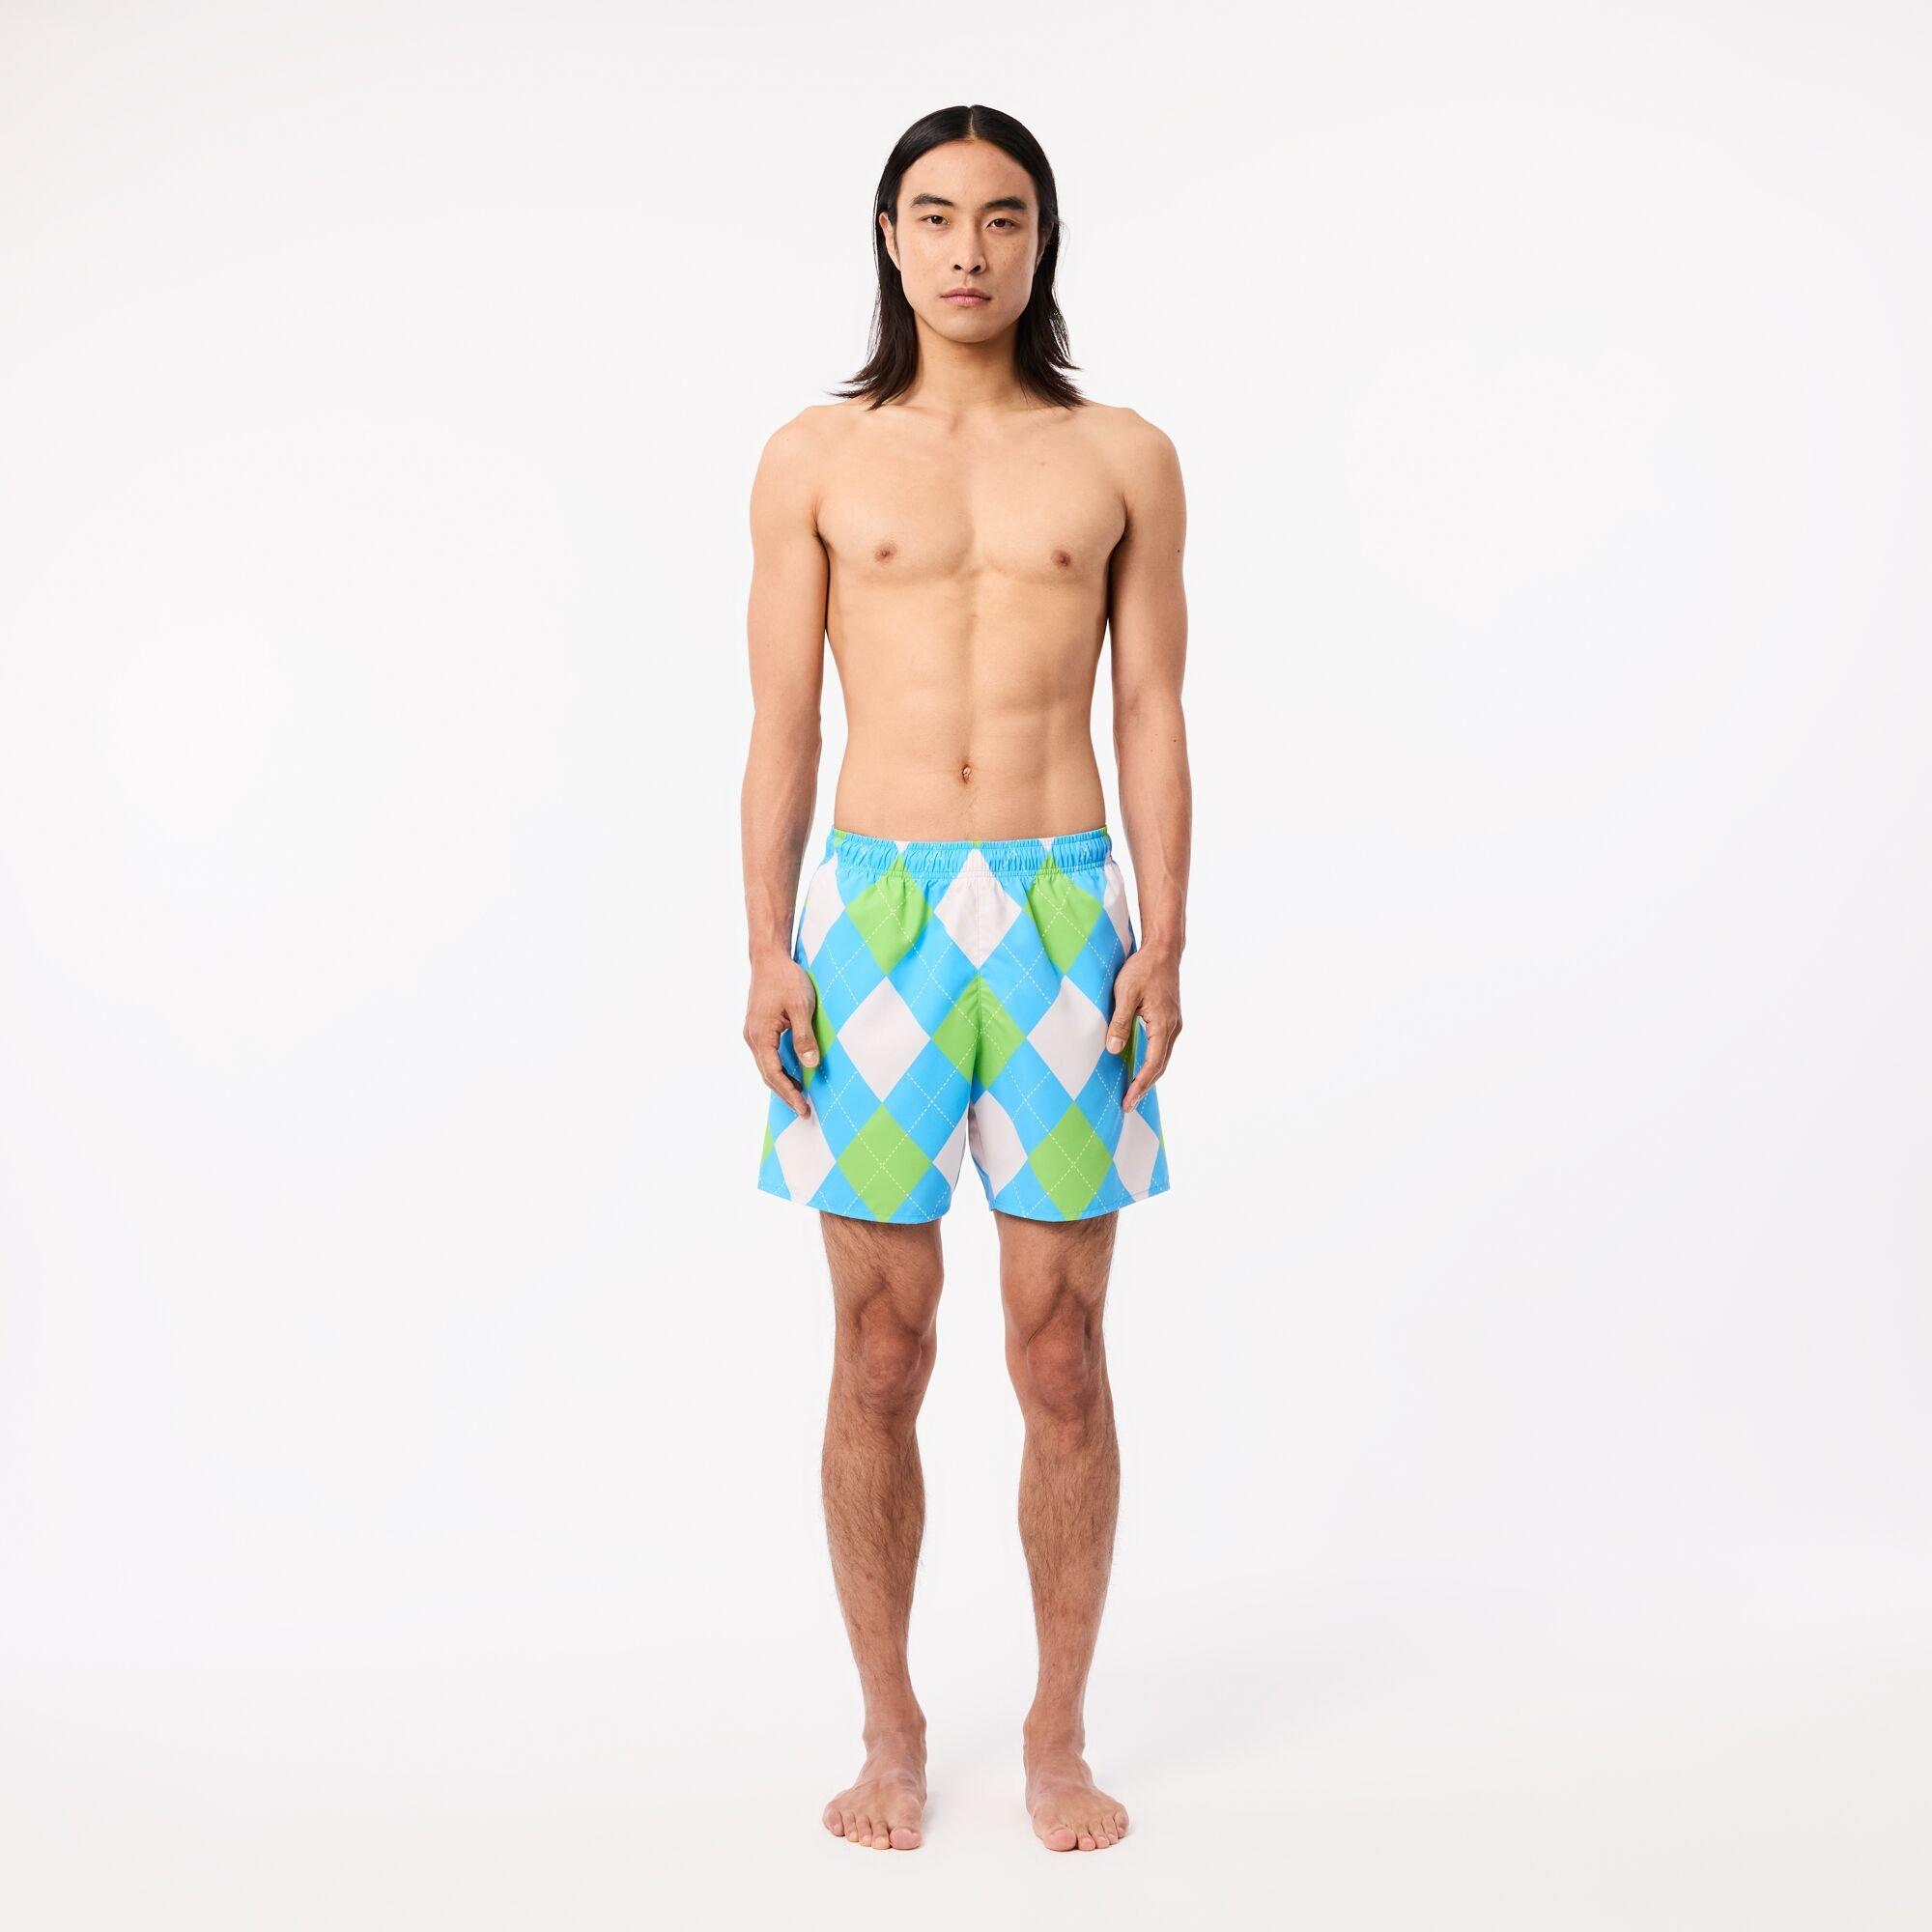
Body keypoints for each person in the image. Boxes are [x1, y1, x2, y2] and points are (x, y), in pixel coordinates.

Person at [739, 103, 1191, 1855]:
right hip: (876, 923)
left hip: (1067, 914)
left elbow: (1151, 708)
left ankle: (1058, 1735)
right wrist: (765, 948)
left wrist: (1167, 934)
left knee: (1061, 1352)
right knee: (879, 1347)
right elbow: (785, 723)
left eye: (1001, 218)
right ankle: (892, 1729)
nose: (968, 250)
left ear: (1040, 237)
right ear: (889, 235)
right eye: (934, 216)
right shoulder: (814, 458)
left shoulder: (1122, 455)